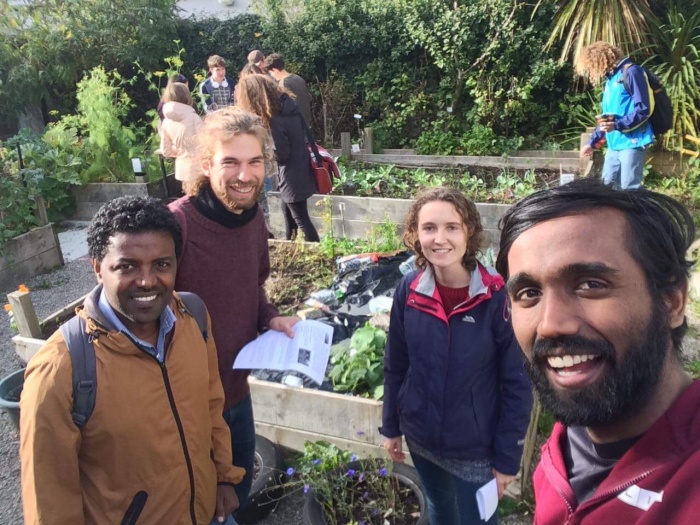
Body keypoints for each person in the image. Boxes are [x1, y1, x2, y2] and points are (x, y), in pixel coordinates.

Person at [20, 196, 244, 524]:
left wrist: (223, 477)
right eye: (127, 266)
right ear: (97, 268)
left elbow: (211, 405)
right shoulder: (60, 370)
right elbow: (49, 501)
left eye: (161, 265)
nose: (147, 281)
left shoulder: (192, 316)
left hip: (210, 513)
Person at [495, 178, 699, 525]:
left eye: (590, 284)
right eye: (529, 293)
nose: (550, 325)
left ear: (672, 300)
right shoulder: (561, 449)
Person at [168, 107, 300, 514]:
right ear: (206, 165)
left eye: (254, 161)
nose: (245, 175)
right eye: (231, 162)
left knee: (236, 499)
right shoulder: (177, 225)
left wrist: (269, 317)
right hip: (186, 409)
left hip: (237, 396)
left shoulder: (254, 218)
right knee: (197, 506)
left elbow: (252, 285)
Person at [381, 187, 533, 524]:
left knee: (479, 520)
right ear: (415, 235)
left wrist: (508, 458)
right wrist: (391, 425)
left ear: (470, 232)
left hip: (474, 450)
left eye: (452, 227)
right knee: (438, 508)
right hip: (419, 436)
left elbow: (518, 384)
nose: (440, 238)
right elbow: (396, 363)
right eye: (429, 228)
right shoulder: (409, 289)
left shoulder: (495, 297)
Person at [235, 74, 319, 242]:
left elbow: (282, 153)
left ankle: (319, 254)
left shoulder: (275, 118)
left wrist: (263, 156)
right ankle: (290, 244)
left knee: (301, 219)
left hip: (290, 173)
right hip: (300, 166)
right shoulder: (289, 106)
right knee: (288, 211)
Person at [578, 42, 654, 189]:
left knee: (629, 190)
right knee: (608, 188)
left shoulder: (632, 72)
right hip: (614, 144)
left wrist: (618, 125)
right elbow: (607, 118)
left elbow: (643, 109)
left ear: (601, 60)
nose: (593, 70)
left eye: (593, 65)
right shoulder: (610, 81)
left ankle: (640, 212)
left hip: (632, 142)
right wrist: (592, 143)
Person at [159, 82, 204, 193]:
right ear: (186, 96)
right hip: (200, 169)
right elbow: (206, 143)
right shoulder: (193, 117)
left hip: (182, 169)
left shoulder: (165, 121)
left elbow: (166, 151)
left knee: (190, 202)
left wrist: (179, 150)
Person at [265, 53, 313, 129]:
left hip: (297, 128)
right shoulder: (298, 78)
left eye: (270, 73)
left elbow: (286, 110)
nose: (271, 76)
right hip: (307, 125)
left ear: (274, 70)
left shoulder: (283, 84)